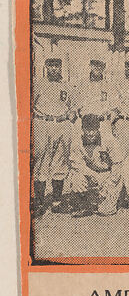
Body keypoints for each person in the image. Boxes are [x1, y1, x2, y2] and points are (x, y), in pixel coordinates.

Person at [32, 57, 77, 216]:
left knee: (61, 161)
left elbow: (73, 108)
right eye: (50, 65)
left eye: (57, 66)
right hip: (43, 122)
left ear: (61, 67)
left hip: (62, 124)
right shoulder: (38, 84)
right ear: (45, 67)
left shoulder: (67, 86)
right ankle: (38, 202)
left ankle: (57, 201)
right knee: (42, 160)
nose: (54, 69)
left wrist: (71, 114)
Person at [69, 114, 124, 218]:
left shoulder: (109, 139)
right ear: (82, 129)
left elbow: (118, 165)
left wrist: (109, 183)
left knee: (105, 211)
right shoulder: (77, 141)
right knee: (76, 177)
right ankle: (84, 203)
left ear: (98, 128)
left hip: (108, 175)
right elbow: (76, 164)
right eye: (87, 129)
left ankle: (115, 197)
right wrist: (92, 174)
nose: (90, 133)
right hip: (91, 174)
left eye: (93, 130)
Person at [75, 59, 118, 136]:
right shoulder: (82, 84)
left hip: (103, 125)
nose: (97, 67)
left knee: (105, 147)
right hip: (86, 126)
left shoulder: (109, 86)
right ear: (90, 66)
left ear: (104, 67)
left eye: (100, 65)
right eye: (95, 64)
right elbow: (76, 106)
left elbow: (115, 109)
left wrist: (108, 122)